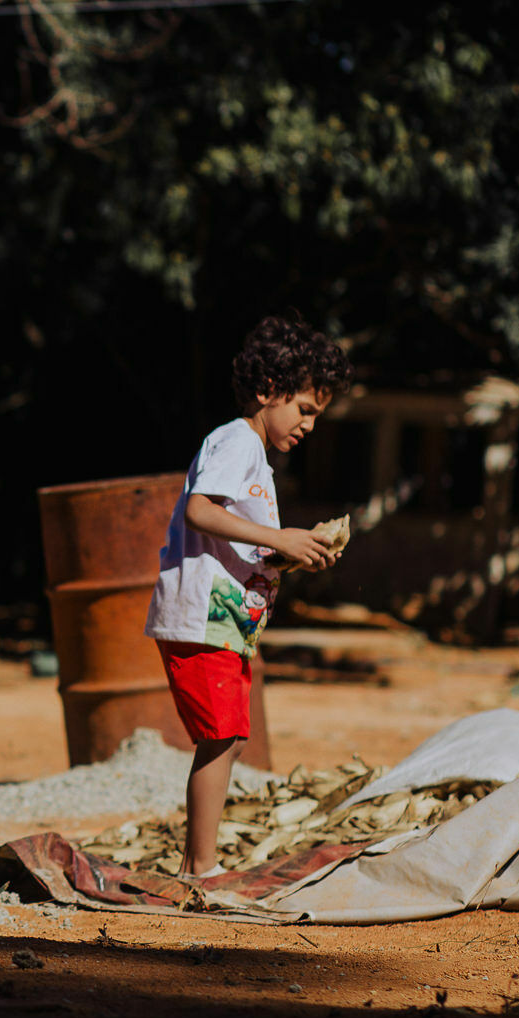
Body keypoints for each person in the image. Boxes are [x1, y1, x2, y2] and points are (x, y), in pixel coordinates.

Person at [144, 316, 353, 880]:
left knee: (230, 737)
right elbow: (200, 509)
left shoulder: (256, 457)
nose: (310, 425)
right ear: (267, 392)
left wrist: (291, 553)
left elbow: (229, 533)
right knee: (220, 737)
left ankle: (198, 862)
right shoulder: (236, 440)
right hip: (201, 617)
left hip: (228, 621)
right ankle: (200, 867)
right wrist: (278, 537)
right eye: (305, 409)